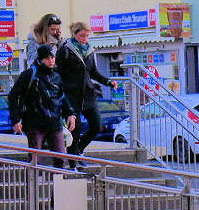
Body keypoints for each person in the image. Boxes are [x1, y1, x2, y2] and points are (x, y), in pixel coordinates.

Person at [56, 21, 118, 159]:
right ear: (74, 34)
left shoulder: (89, 50)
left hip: (88, 94)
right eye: (82, 36)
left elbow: (94, 72)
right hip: (72, 95)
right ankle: (73, 162)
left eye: (87, 36)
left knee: (96, 126)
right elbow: (57, 73)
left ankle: (79, 149)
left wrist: (108, 82)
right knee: (75, 129)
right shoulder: (65, 50)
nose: (84, 39)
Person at [9, 44, 76, 169]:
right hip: (35, 123)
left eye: (52, 57)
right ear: (40, 59)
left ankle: (58, 184)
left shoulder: (56, 76)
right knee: (36, 160)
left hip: (55, 122)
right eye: (47, 58)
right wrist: (15, 119)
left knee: (60, 157)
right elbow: (13, 95)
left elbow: (61, 96)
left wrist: (70, 114)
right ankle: (34, 185)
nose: (51, 61)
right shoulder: (30, 74)